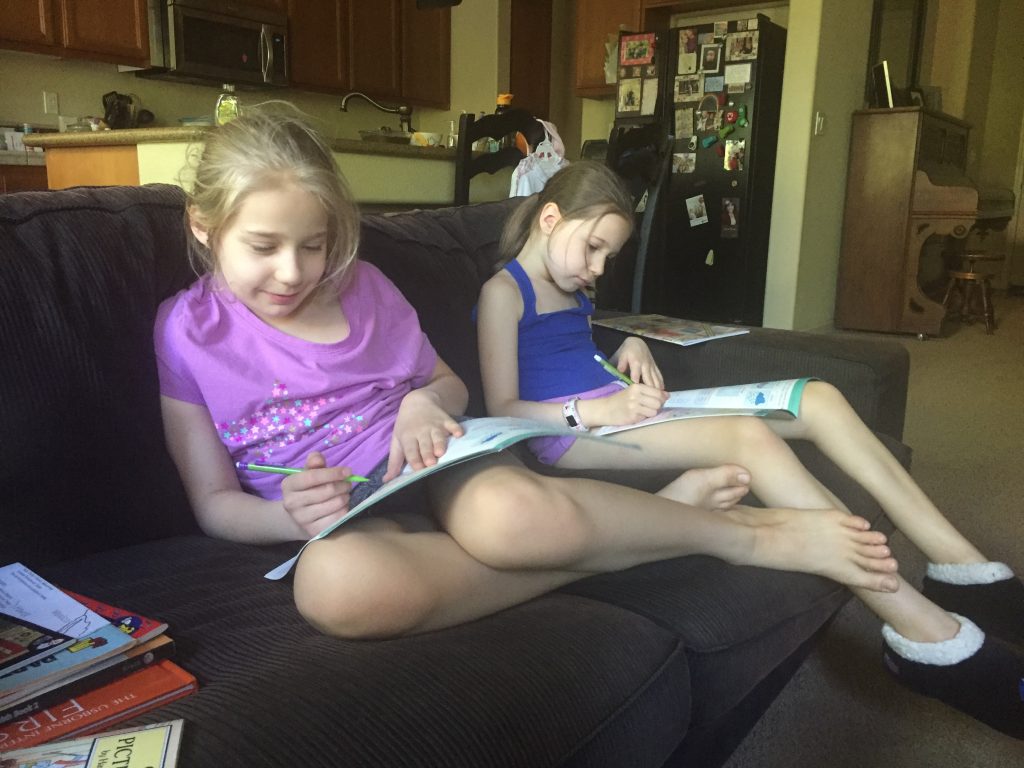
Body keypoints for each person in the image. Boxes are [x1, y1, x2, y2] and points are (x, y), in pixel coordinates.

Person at [153, 103, 905, 648]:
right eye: (263, 247)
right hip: (342, 521)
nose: (294, 272)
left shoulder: (365, 288)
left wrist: (421, 403)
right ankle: (651, 530)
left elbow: (450, 387)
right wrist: (288, 520)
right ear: (202, 225)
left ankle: (742, 537)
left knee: (508, 519)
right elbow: (213, 503)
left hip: (434, 462)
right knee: (333, 589)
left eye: (314, 245)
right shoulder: (185, 335)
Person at [474, 160, 1024, 739]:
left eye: (608, 255)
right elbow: (502, 409)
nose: (598, 268)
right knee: (748, 437)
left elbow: (571, 357)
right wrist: (593, 412)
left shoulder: (573, 287)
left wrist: (628, 346)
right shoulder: (502, 293)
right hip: (570, 438)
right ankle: (927, 636)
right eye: (593, 249)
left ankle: (964, 571)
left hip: (619, 409)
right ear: (550, 219)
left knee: (818, 398)